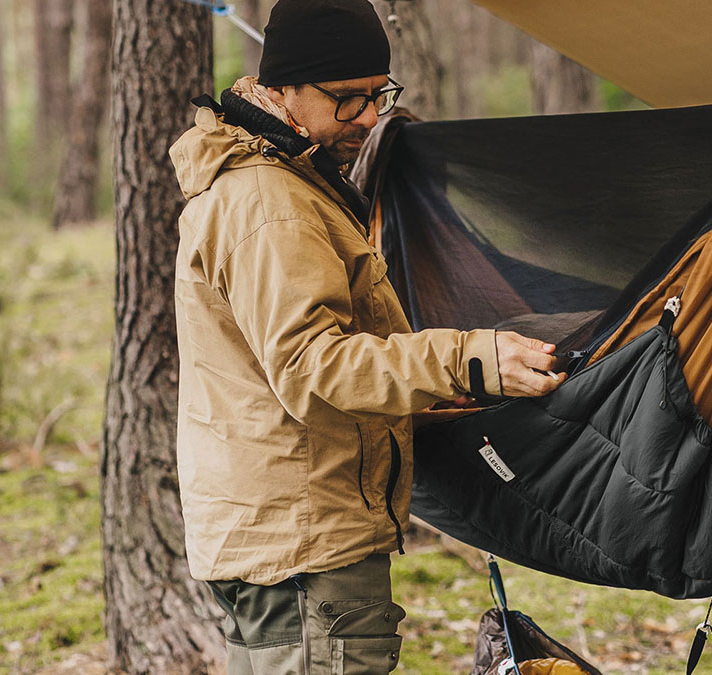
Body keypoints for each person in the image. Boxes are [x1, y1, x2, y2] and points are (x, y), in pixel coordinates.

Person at [168, 1, 564, 672]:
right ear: (282, 90)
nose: (368, 118)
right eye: (345, 100)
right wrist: (468, 359)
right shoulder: (270, 203)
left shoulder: (292, 179)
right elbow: (310, 368)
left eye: (377, 94)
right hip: (304, 548)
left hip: (287, 534)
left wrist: (416, 398)